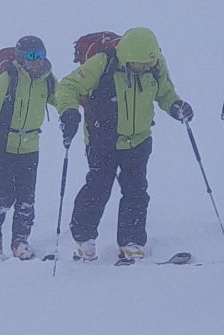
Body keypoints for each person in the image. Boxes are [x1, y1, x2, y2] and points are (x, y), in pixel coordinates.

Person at [54, 27, 190, 262]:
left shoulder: (155, 64)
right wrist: (68, 112)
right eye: (139, 65)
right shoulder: (103, 63)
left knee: (136, 191)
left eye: (148, 64)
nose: (145, 68)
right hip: (101, 139)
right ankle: (83, 235)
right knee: (98, 187)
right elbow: (68, 86)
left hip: (138, 140)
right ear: (127, 59)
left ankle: (132, 241)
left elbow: (166, 92)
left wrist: (176, 107)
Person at [0, 36, 57, 259]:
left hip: (30, 147)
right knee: (5, 195)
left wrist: (71, 111)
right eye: (31, 56)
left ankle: (20, 240)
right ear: (21, 58)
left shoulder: (47, 80)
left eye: (40, 55)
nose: (37, 61)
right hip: (2, 146)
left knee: (27, 198)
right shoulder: (7, 79)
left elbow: (62, 99)